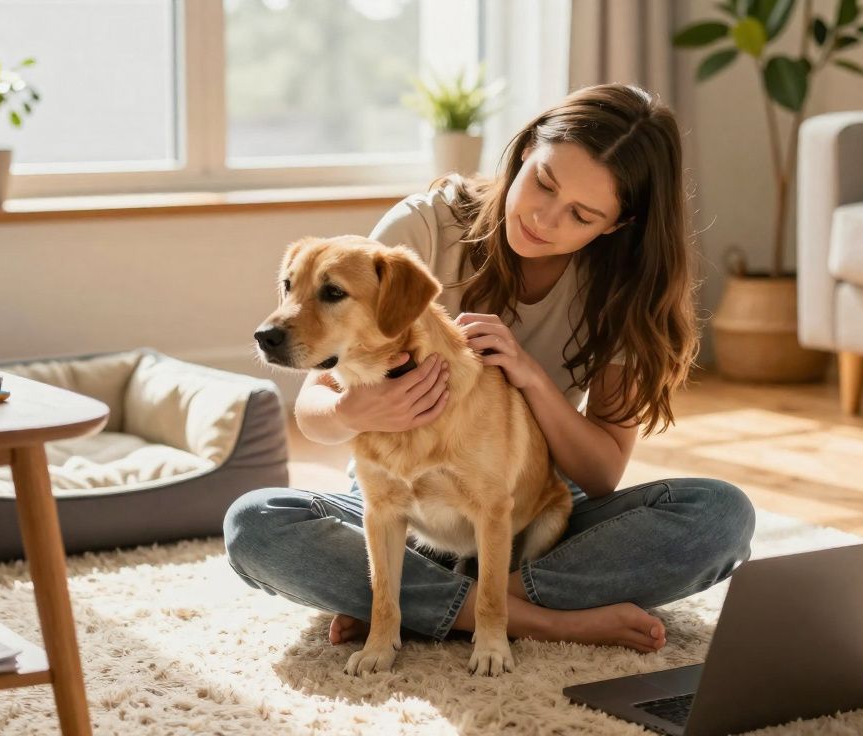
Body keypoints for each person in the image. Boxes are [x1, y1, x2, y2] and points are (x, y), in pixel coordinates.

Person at [224, 83, 755, 654]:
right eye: (543, 183)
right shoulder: (427, 226)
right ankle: (525, 615)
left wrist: (529, 376)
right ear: (526, 150)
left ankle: (425, 602)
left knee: (720, 516)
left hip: (528, 507)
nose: (544, 218)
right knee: (255, 523)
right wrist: (355, 407)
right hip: (396, 502)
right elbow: (314, 408)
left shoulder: (625, 292)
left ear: (617, 225)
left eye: (580, 213)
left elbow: (601, 475)